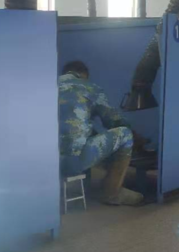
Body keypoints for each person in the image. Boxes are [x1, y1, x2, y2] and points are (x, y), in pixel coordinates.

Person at [59, 61, 143, 206]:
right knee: (125, 134)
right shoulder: (90, 88)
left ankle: (85, 186)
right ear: (83, 75)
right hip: (71, 163)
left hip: (46, 163)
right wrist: (137, 136)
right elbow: (114, 120)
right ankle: (111, 193)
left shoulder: (47, 86)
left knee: (85, 131)